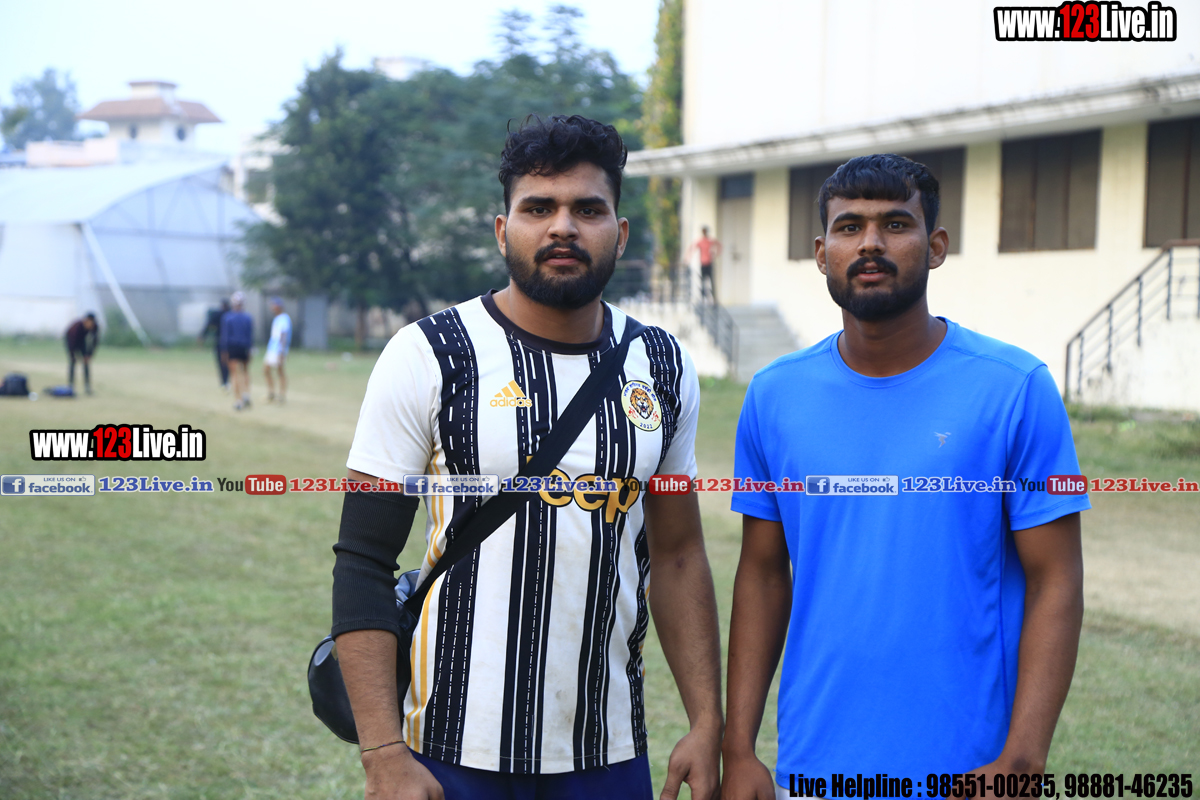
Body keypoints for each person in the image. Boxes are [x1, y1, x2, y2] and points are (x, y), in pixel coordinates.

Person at [332, 115, 722, 800]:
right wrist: (383, 754)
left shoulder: (662, 364)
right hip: (449, 747)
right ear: (502, 230)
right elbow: (363, 560)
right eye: (538, 208)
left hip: (605, 749)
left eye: (588, 209)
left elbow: (680, 554)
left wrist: (706, 720)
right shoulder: (429, 353)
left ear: (620, 233)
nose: (562, 227)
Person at [721, 154, 1090, 799]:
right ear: (821, 253)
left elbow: (1056, 577)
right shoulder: (774, 395)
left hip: (968, 770)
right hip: (815, 767)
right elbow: (762, 572)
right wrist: (739, 748)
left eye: (895, 224)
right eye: (849, 227)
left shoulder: (1014, 388)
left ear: (936, 246)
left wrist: (1023, 759)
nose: (870, 243)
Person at [219, 291, 254, 410]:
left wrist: (224, 351)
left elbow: (225, 336)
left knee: (234, 374)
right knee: (245, 371)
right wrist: (250, 350)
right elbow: (250, 336)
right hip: (244, 347)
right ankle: (246, 394)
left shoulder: (227, 317)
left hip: (232, 347)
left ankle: (238, 400)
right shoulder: (248, 318)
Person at [262, 297, 291, 404]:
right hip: (272, 348)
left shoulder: (284, 318)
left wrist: (281, 351)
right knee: (266, 370)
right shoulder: (277, 318)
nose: (272, 307)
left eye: (273, 305)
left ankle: (281, 395)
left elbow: (284, 335)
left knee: (280, 371)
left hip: (278, 350)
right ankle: (271, 393)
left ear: (279, 306)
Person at [199, 298, 231, 390]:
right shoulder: (227, 314)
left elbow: (208, 325)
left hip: (224, 342)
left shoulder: (227, 315)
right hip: (225, 342)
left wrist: (203, 336)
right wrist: (203, 335)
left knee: (224, 362)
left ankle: (225, 382)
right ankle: (226, 381)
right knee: (225, 362)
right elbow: (209, 325)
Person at [64, 312, 99, 395]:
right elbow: (71, 342)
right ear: (85, 321)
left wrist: (89, 354)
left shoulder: (95, 327)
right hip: (71, 340)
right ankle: (70, 386)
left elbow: (95, 341)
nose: (90, 325)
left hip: (82, 342)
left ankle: (87, 387)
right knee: (73, 362)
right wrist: (72, 354)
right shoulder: (77, 327)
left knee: (86, 363)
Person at [687, 226, 722, 303]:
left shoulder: (710, 240)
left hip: (709, 263)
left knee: (711, 282)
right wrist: (689, 257)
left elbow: (719, 245)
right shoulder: (701, 241)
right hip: (703, 263)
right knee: (703, 282)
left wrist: (716, 254)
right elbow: (692, 248)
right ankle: (702, 299)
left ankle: (713, 299)